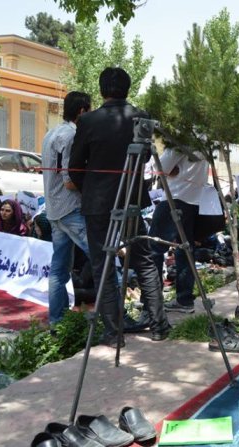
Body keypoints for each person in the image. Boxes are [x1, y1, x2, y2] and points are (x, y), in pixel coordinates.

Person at [69, 67, 170, 346]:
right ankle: (158, 325)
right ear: (127, 88)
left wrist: (90, 189)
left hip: (99, 202)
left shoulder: (88, 120)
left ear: (102, 90)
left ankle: (114, 334)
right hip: (131, 198)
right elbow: (146, 156)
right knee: (144, 260)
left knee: (102, 266)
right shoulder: (141, 116)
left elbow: (74, 167)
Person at [41, 91, 92, 326]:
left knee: (59, 271)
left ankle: (57, 323)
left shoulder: (51, 133)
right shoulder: (71, 135)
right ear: (82, 111)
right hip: (70, 209)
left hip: (54, 209)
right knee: (103, 259)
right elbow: (69, 181)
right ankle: (116, 317)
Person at [150, 147, 208, 314]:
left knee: (154, 248)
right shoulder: (204, 138)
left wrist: (173, 170)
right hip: (194, 200)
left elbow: (160, 166)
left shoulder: (181, 138)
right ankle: (184, 299)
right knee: (185, 250)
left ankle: (151, 301)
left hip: (175, 197)